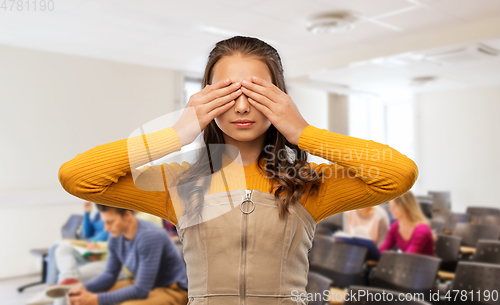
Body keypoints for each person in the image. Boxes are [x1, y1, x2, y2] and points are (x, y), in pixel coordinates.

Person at [58, 36, 419, 304]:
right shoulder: (179, 183)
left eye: (257, 92)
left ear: (279, 96)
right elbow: (77, 177)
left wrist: (303, 132)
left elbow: (399, 173)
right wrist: (178, 133)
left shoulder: (309, 185)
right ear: (206, 97)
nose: (242, 106)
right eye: (227, 92)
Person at [60, 204, 188, 305]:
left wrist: (95, 300)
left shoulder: (150, 236)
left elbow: (141, 290)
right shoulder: (115, 237)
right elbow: (109, 274)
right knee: (89, 296)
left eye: (110, 222)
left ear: (127, 215)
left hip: (173, 289)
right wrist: (83, 288)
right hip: (146, 285)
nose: (106, 228)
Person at [379, 190, 435, 256]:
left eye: (394, 207)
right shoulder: (395, 227)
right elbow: (382, 252)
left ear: (406, 208)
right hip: (408, 264)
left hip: (420, 265)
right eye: (391, 206)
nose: (391, 210)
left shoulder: (421, 230)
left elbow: (408, 258)